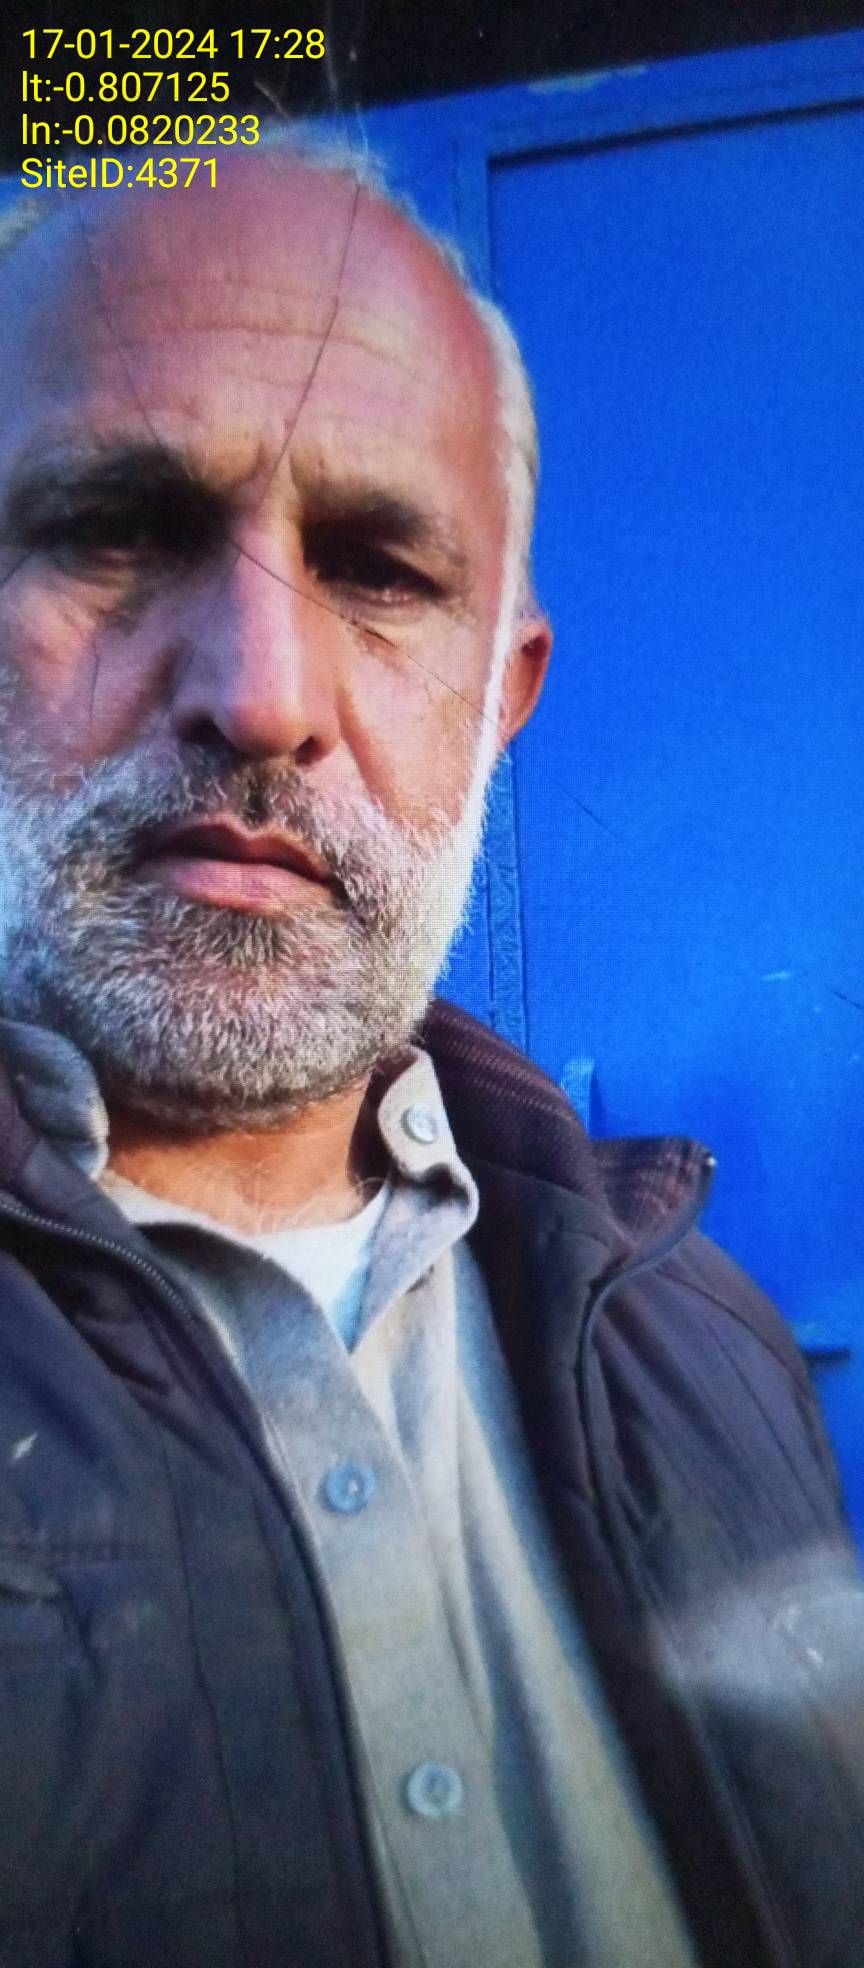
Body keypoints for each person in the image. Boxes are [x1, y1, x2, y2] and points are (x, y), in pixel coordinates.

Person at [0, 128, 860, 1968]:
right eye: (118, 531)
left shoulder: (703, 1335)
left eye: (380, 568)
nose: (263, 693)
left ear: (501, 698)